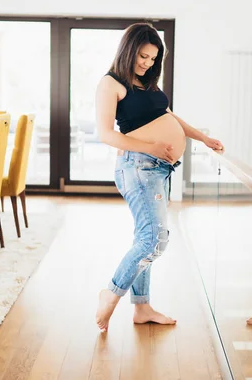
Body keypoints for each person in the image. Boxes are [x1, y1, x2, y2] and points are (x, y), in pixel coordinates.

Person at [94, 23, 224, 332]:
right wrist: (151, 145)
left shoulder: (146, 84)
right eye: (142, 56)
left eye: (153, 59)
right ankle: (110, 293)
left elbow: (168, 116)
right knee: (154, 239)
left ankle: (142, 307)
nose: (147, 63)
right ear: (128, 50)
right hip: (137, 167)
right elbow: (106, 135)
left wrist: (201, 138)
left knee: (146, 237)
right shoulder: (110, 84)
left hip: (158, 169)